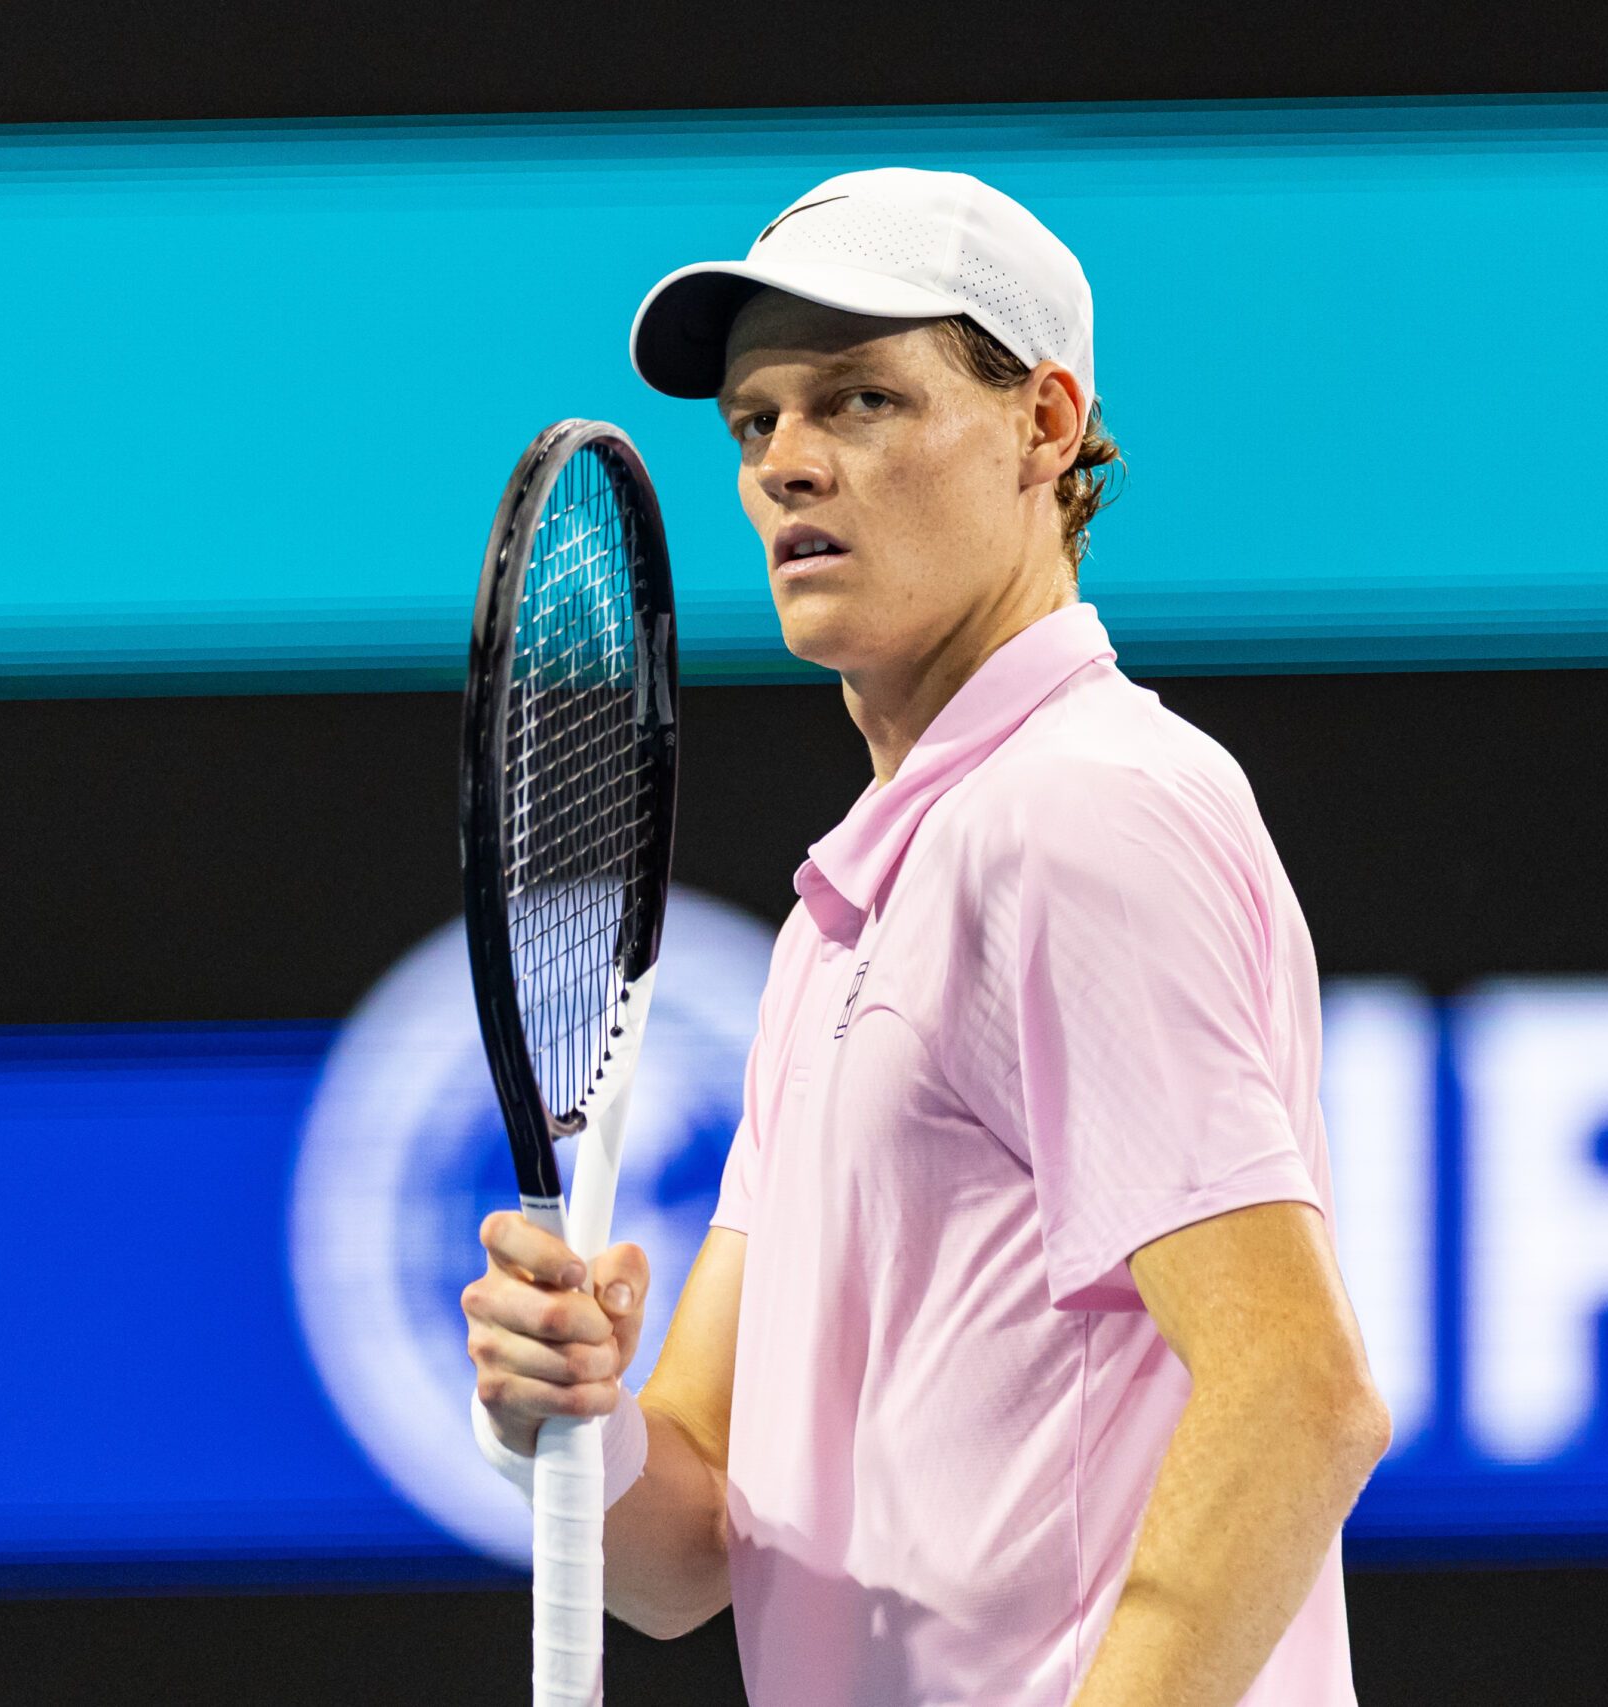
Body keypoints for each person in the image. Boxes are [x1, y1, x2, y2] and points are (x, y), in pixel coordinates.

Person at [463, 167, 1389, 1706]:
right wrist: (573, 1422)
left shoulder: (1078, 814)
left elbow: (1298, 1395)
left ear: (1044, 424)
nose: (789, 468)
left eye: (862, 402)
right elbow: (691, 1552)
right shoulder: (851, 915)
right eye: (756, 424)